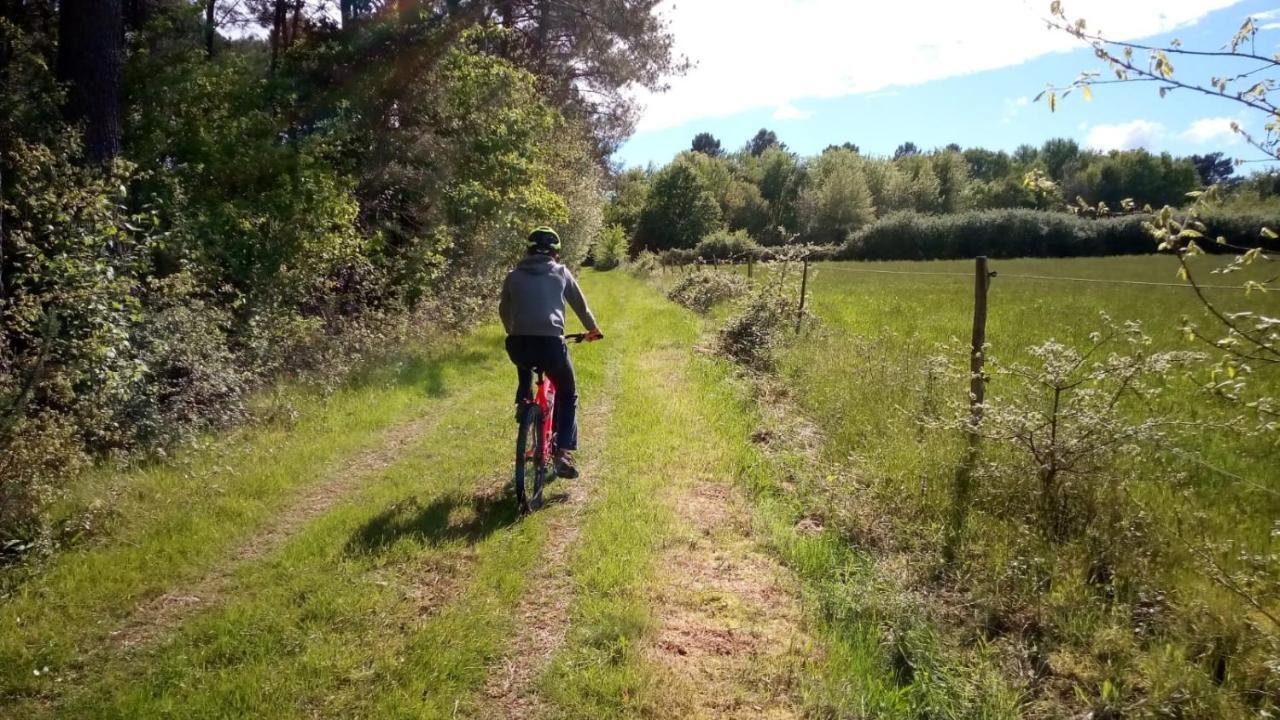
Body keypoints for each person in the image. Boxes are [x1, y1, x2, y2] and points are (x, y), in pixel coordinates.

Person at [499, 227, 602, 479]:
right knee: (567, 393)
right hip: (551, 346)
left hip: (518, 344)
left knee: (524, 359)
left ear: (528, 250)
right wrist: (593, 330)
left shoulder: (512, 276)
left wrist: (514, 329)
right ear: (555, 252)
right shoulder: (561, 272)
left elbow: (504, 309)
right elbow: (581, 307)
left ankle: (524, 401)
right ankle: (562, 454)